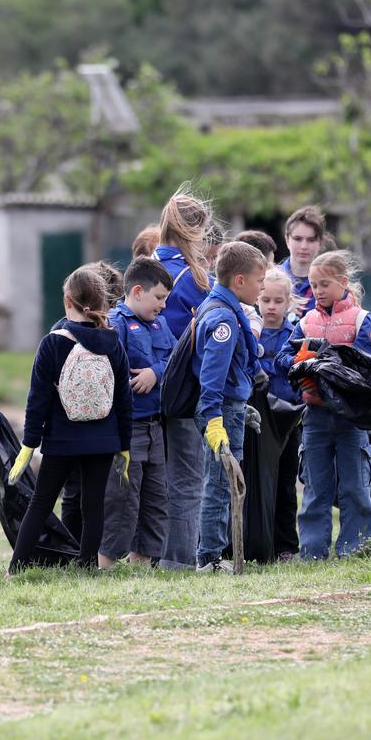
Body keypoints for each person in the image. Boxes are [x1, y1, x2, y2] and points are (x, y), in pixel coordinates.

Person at [6, 266, 133, 573]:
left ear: (67, 301)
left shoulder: (52, 343)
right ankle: (88, 567)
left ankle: (17, 567)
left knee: (41, 503)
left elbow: (38, 399)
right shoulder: (113, 343)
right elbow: (123, 400)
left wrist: (29, 443)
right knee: (93, 508)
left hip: (61, 440)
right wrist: (124, 445)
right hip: (102, 440)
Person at [277, 251, 371, 558]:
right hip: (316, 417)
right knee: (315, 487)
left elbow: (366, 362)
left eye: (324, 284)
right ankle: (312, 551)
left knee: (355, 486)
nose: (318, 290)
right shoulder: (306, 321)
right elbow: (284, 357)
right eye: (313, 285)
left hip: (351, 417)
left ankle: (355, 547)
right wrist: (302, 362)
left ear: (343, 282)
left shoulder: (362, 319)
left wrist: (328, 362)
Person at [152, 187, 215, 571]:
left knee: (155, 478)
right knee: (189, 478)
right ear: (196, 232)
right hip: (184, 390)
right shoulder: (195, 278)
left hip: (145, 392)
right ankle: (178, 558)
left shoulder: (144, 265)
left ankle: (147, 552)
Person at [193, 241, 265, 572]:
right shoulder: (224, 318)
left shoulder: (222, 306)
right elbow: (212, 376)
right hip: (220, 412)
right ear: (239, 280)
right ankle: (209, 558)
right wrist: (214, 419)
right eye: (258, 281)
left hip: (231, 408)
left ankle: (212, 553)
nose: (261, 288)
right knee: (222, 485)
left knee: (224, 483)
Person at [100, 257, 176, 568]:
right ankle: (105, 562)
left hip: (155, 426)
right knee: (123, 498)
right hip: (127, 429)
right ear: (138, 291)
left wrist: (155, 373)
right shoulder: (117, 324)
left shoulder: (161, 324)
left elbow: (175, 358)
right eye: (159, 298)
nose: (162, 305)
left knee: (156, 496)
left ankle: (142, 562)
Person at [59, 260, 125, 545]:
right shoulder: (64, 333)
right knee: (76, 493)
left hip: (97, 429)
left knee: (90, 497)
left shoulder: (110, 336)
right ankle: (72, 550)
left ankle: (85, 555)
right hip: (73, 428)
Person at [254, 268, 303, 560]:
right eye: (266, 300)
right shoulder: (250, 330)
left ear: (288, 303)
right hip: (259, 419)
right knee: (260, 482)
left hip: (287, 420)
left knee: (285, 483)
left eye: (278, 301)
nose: (271, 307)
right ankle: (258, 540)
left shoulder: (295, 333)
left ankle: (286, 545)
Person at [279, 206, 329, 319]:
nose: (304, 246)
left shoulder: (331, 282)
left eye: (311, 240)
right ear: (287, 240)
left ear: (320, 242)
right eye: (297, 239)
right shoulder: (270, 279)